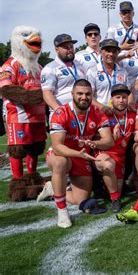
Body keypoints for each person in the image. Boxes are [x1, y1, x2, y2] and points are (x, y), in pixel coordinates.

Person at [46, 79, 115, 228]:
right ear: (72, 94)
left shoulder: (97, 113)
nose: (84, 97)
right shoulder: (60, 112)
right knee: (60, 162)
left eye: (88, 94)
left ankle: (53, 188)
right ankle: (62, 211)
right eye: (80, 94)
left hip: (82, 156)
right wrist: (79, 154)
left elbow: (109, 141)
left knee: (81, 199)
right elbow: (57, 146)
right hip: (63, 154)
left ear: (92, 95)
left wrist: (95, 144)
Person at [0, 26, 46, 200]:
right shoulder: (10, 65)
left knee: (35, 149)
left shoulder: (39, 67)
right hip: (19, 116)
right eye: (27, 36)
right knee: (18, 150)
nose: (35, 40)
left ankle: (33, 177)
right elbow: (7, 89)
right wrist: (36, 96)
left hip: (38, 117)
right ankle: (18, 184)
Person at [100, 84, 137, 212]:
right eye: (117, 97)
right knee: (108, 167)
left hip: (120, 156)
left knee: (118, 189)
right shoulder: (104, 115)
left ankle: (109, 191)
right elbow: (95, 139)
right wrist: (111, 138)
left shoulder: (133, 115)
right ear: (112, 99)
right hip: (105, 154)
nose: (121, 100)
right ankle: (114, 200)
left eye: (124, 97)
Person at [42, 34, 88, 112]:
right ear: (57, 49)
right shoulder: (49, 68)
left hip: (81, 113)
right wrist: (59, 110)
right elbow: (47, 93)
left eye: (71, 47)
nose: (69, 50)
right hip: (62, 114)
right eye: (66, 48)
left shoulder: (79, 65)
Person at [86, 39, 131, 113]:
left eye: (114, 51)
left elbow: (129, 93)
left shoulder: (123, 72)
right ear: (101, 52)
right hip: (100, 114)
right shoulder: (92, 71)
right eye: (108, 51)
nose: (111, 54)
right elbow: (89, 96)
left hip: (120, 113)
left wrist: (130, 103)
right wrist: (102, 107)